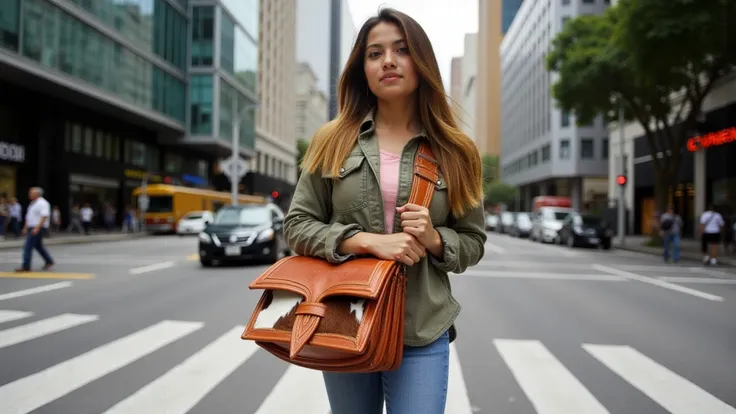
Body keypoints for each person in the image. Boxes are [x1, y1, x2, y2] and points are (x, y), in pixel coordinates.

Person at [283, 8, 486, 414]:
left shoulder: (456, 150)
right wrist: (364, 241)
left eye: (401, 50)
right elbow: (297, 225)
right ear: (363, 69)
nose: (388, 61)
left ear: (421, 62)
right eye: (374, 54)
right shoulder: (332, 139)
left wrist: (433, 239)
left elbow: (473, 242)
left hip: (422, 328)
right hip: (345, 318)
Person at [15, 187, 54, 272]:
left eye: (31, 193)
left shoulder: (42, 203)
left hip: (38, 227)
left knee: (28, 246)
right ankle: (49, 261)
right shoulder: (32, 203)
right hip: (31, 226)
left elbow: (44, 216)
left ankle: (26, 266)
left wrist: (37, 227)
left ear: (37, 194)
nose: (29, 194)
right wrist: (25, 227)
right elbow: (29, 217)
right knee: (38, 246)